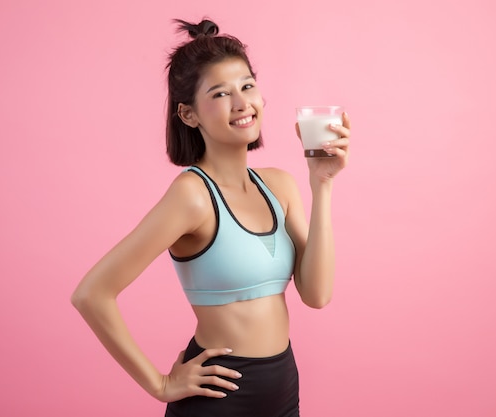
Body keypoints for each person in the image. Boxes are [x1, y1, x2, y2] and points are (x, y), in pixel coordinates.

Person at [71, 18, 350, 417]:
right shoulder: (192, 196)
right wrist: (161, 384)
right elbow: (91, 294)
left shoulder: (280, 187)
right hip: (219, 398)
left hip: (283, 386)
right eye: (220, 93)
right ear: (189, 115)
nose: (241, 103)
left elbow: (317, 295)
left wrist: (322, 184)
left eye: (247, 86)